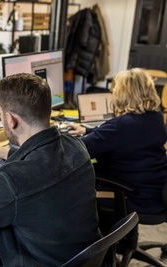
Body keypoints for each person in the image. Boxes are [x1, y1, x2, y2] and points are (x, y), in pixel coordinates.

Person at [0, 73, 101, 266]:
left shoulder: (12, 180)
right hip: (80, 258)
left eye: (1, 114)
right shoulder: (76, 146)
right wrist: (2, 152)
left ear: (10, 120)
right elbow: (43, 161)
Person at [68, 68, 167, 215]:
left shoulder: (122, 125)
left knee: (72, 186)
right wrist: (87, 131)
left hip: (133, 196)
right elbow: (125, 137)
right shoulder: (156, 117)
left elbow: (79, 149)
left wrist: (57, 138)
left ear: (123, 94)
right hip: (153, 192)